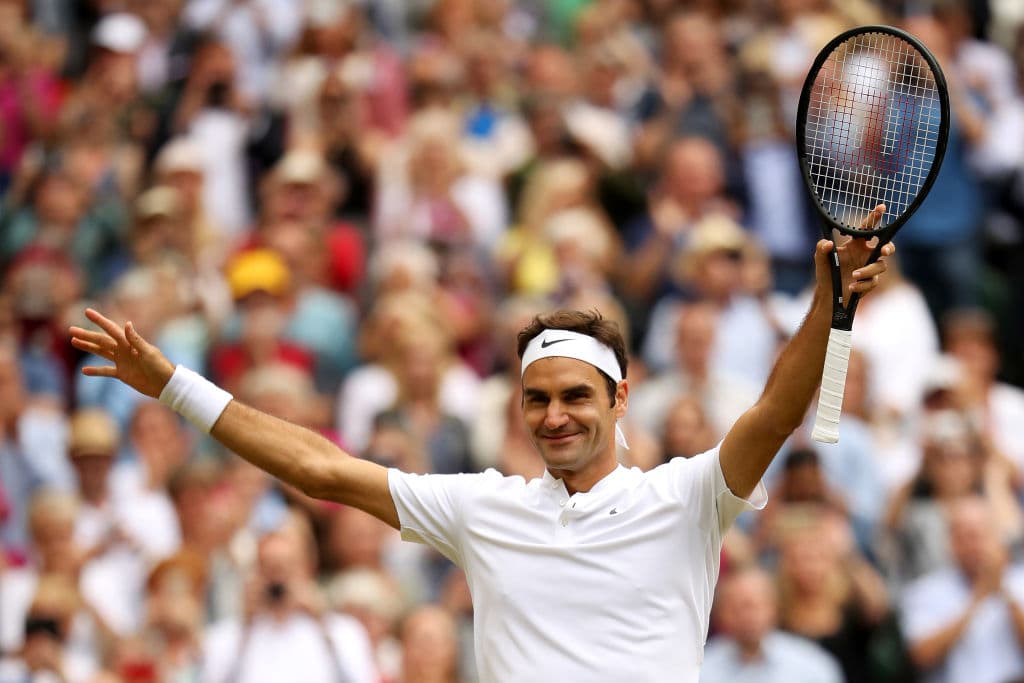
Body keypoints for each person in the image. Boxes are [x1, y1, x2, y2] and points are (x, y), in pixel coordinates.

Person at [68, 208, 893, 681]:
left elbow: (776, 410)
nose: (555, 415)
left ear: (620, 399)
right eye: (538, 399)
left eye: (576, 396)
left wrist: (828, 299)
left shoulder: (685, 498)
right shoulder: (482, 506)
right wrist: (175, 382)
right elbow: (319, 467)